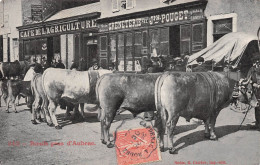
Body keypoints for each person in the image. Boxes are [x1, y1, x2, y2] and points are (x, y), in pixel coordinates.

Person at [246, 52, 260, 130]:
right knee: (257, 107)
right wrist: (250, 88)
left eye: (258, 60)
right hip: (256, 91)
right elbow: (248, 79)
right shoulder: (252, 69)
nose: (256, 62)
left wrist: (258, 85)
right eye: (255, 60)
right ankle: (257, 124)